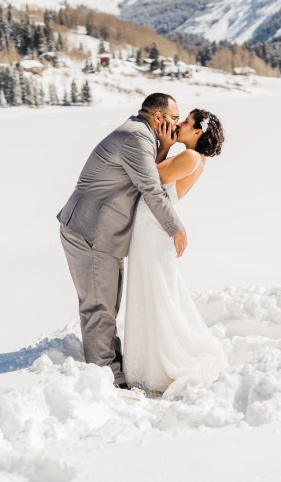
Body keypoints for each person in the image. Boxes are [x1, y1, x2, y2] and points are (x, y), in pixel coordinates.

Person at [57, 93, 186, 389]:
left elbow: (144, 173)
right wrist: (176, 229)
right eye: (175, 118)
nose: (177, 124)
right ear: (158, 118)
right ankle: (107, 382)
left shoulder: (140, 136)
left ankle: (110, 370)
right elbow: (151, 189)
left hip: (101, 233)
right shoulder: (136, 138)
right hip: (89, 231)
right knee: (98, 308)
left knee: (107, 305)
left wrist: (164, 147)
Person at [123, 108, 227, 398]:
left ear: (197, 133)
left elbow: (150, 175)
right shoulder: (192, 157)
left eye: (186, 122)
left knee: (156, 291)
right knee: (152, 289)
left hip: (154, 229)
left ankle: (160, 362)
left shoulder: (192, 157)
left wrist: (164, 145)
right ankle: (147, 359)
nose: (178, 124)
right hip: (151, 227)